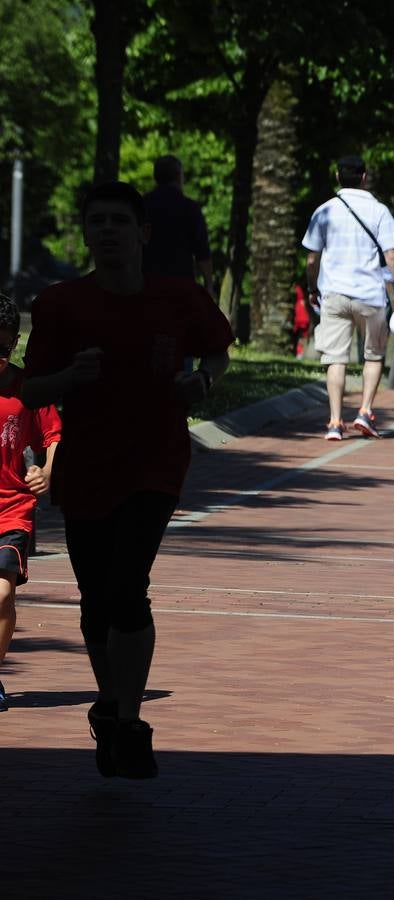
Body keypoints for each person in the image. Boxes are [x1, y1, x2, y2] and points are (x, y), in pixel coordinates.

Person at [22, 181, 233, 777]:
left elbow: (218, 352)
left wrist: (204, 381)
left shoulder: (179, 297)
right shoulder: (62, 304)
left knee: (126, 585)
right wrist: (68, 377)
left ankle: (132, 719)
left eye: (119, 220)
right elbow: (29, 389)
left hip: (156, 463)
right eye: (97, 221)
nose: (108, 230)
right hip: (88, 465)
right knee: (95, 602)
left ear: (142, 234)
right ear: (87, 233)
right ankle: (111, 705)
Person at [302, 154, 394, 440]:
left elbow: (312, 258)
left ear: (338, 177)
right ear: (364, 178)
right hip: (370, 295)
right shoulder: (379, 211)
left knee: (335, 359)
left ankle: (335, 422)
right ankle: (364, 411)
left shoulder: (324, 211)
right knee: (373, 356)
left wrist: (312, 288)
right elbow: (391, 256)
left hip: (334, 293)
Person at [0, 294, 61, 711]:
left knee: (2, 595)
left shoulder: (27, 387)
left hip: (12, 509)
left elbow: (55, 435)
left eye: (4, 348)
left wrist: (49, 471)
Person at [141, 155, 213, 289]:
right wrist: (209, 284)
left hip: (147, 284)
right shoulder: (189, 208)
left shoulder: (141, 206)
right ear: (178, 176)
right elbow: (202, 253)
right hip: (181, 285)